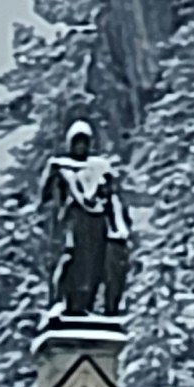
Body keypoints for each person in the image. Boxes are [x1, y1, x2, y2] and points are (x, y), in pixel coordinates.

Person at [42, 114, 133, 317]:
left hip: (96, 223)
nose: (81, 146)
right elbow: (45, 195)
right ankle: (64, 301)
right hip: (73, 220)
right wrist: (56, 175)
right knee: (72, 260)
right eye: (77, 141)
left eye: (85, 141)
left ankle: (87, 304)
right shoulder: (62, 165)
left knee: (94, 266)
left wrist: (116, 225)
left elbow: (109, 192)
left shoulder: (98, 166)